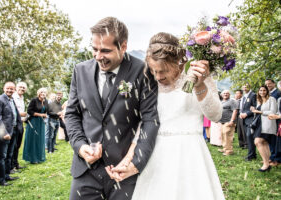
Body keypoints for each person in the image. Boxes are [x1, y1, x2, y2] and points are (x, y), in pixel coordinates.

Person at [108, 32, 224, 199]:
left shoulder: (197, 74)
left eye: (163, 71)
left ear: (177, 62)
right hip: (155, 157)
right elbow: (144, 124)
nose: (158, 76)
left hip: (190, 156)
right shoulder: (149, 81)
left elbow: (215, 115)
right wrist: (128, 159)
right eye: (153, 70)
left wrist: (199, 86)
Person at [65, 17, 159, 200]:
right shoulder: (80, 70)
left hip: (124, 171)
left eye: (105, 50)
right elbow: (71, 114)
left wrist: (136, 162)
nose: (98, 56)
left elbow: (150, 120)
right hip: (85, 172)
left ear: (123, 46)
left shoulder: (143, 72)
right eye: (94, 49)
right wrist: (80, 146)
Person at [0, 82, 23, 186]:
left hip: (13, 131)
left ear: (14, 90)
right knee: (1, 156)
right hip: (3, 132)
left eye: (11, 89)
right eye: (7, 88)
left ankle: (6, 175)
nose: (9, 90)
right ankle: (0, 180)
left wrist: (19, 128)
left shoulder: (11, 100)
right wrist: (4, 133)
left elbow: (15, 115)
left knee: (9, 155)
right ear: (3, 88)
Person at [251, 85, 277, 172]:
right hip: (259, 124)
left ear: (267, 91)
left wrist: (259, 111)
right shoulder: (259, 101)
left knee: (257, 141)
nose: (262, 92)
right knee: (264, 142)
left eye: (264, 90)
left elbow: (273, 112)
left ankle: (265, 164)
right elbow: (257, 113)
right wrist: (254, 110)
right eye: (260, 90)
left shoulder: (271, 99)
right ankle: (267, 163)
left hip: (267, 124)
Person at [23, 88, 48, 163]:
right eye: (41, 92)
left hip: (41, 122)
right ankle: (32, 158)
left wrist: (45, 115)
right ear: (39, 93)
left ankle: (39, 157)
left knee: (40, 139)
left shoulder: (46, 101)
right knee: (33, 139)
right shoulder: (34, 100)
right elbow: (29, 111)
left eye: (44, 92)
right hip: (33, 121)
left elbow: (46, 111)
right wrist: (40, 114)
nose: (43, 93)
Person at [11, 82, 27, 172]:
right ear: (16, 88)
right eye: (20, 87)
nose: (22, 89)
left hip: (20, 123)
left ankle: (16, 163)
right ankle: (11, 166)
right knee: (13, 145)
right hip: (14, 123)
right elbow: (14, 111)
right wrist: (23, 114)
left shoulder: (22, 98)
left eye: (24, 87)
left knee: (18, 145)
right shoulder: (13, 97)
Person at [265, 79, 281, 166]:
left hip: (277, 119)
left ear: (274, 84)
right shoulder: (269, 94)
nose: (268, 85)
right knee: (271, 139)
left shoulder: (278, 94)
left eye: (270, 84)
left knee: (276, 140)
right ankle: (272, 157)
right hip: (271, 118)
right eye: (266, 84)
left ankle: (277, 159)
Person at [239, 83, 257, 161]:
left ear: (250, 87)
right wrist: (241, 114)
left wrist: (246, 114)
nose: (245, 87)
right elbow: (242, 108)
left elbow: (255, 107)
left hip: (250, 119)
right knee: (247, 137)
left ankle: (251, 155)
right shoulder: (243, 96)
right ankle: (252, 154)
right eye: (244, 86)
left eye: (247, 86)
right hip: (243, 119)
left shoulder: (253, 95)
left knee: (250, 136)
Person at [218, 90, 237, 156]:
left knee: (228, 135)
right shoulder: (222, 102)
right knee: (223, 135)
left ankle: (229, 150)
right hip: (222, 121)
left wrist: (232, 120)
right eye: (224, 93)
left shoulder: (231, 101)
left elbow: (235, 111)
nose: (225, 94)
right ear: (222, 95)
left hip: (229, 121)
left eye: (227, 93)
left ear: (229, 95)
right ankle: (225, 148)